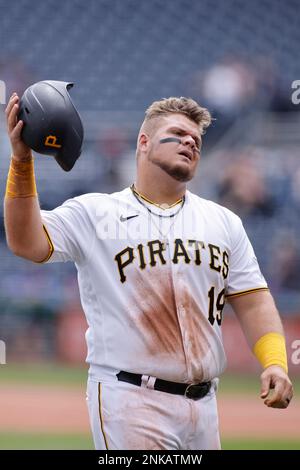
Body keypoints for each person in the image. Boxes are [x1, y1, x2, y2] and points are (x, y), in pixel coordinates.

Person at [4, 93, 293, 450]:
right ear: (144, 142)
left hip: (204, 406)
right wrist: (21, 161)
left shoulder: (223, 222)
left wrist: (275, 363)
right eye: (178, 133)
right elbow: (25, 242)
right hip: (130, 399)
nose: (190, 141)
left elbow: (253, 301)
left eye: (197, 140)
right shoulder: (96, 213)